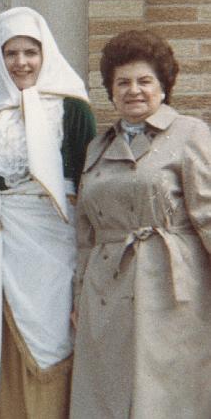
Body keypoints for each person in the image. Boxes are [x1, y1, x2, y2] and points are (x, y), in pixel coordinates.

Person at [70, 30, 211, 419]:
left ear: (163, 86)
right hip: (106, 290)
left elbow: (208, 213)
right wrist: (79, 295)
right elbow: (85, 233)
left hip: (169, 288)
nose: (134, 90)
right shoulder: (97, 147)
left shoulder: (190, 133)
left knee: (167, 397)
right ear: (111, 92)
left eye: (144, 81)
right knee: (108, 397)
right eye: (123, 82)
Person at [0, 7, 96, 419]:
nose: (21, 63)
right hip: (3, 245)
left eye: (30, 52)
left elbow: (87, 180)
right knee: (3, 339)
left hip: (56, 247)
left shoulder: (73, 109)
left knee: (54, 338)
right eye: (11, 53)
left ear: (46, 55)